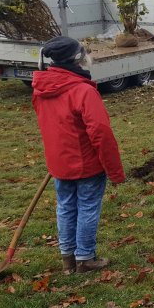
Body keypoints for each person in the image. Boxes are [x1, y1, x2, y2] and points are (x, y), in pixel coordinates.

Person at [32, 36, 125, 274]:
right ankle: (84, 257)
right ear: (78, 59)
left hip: (60, 162)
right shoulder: (82, 91)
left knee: (65, 207)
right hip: (86, 165)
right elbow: (101, 134)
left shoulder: (41, 88)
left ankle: (67, 260)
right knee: (86, 207)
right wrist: (115, 172)